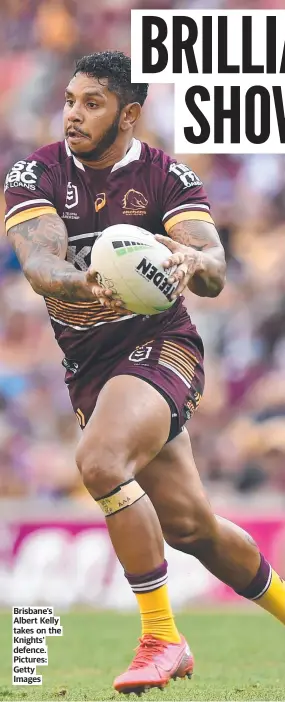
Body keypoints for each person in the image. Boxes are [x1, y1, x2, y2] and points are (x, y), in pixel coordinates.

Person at [4, 51, 285, 695]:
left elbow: (213, 265)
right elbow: (40, 262)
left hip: (162, 346)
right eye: (70, 99)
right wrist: (83, 282)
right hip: (91, 366)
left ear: (129, 114)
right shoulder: (36, 171)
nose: (72, 113)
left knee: (100, 462)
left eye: (92, 103)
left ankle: (162, 637)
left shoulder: (166, 179)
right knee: (193, 528)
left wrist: (188, 261)